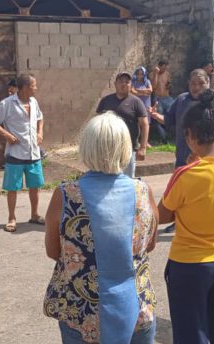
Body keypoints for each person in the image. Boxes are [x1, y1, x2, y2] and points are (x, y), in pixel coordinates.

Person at [44, 112, 159, 344]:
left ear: (85, 148)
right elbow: (151, 244)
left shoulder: (66, 194)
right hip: (136, 310)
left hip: (82, 313)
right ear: (125, 148)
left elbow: (54, 252)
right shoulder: (143, 191)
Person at [158, 90, 214, 344]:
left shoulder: (186, 175)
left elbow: (162, 214)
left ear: (190, 135)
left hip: (189, 264)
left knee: (192, 333)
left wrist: (190, 166)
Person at [150, 69, 214, 233]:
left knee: (204, 193)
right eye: (193, 83)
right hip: (183, 157)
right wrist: (155, 115)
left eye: (201, 83)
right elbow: (169, 120)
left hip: (209, 160)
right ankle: (179, 220)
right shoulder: (181, 100)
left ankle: (202, 222)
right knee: (179, 193)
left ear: (208, 84)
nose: (197, 87)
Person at [0, 73, 45, 233]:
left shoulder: (34, 102)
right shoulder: (7, 104)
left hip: (33, 152)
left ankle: (34, 214)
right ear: (25, 87)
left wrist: (40, 132)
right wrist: (7, 135)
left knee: (36, 186)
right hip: (15, 153)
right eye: (34, 85)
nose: (36, 88)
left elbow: (40, 118)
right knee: (13, 188)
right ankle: (11, 218)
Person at [96, 72, 149, 178]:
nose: (124, 84)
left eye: (127, 82)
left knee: (127, 180)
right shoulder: (106, 101)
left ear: (131, 85)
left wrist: (143, 147)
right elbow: (98, 122)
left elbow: (145, 124)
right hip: (108, 148)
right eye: (121, 81)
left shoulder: (136, 102)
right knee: (108, 179)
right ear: (115, 84)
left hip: (128, 149)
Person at [150, 60, 172, 144]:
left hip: (167, 97)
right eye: (163, 67)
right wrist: (156, 73)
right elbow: (153, 86)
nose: (164, 69)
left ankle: (169, 136)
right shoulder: (152, 74)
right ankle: (163, 138)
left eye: (166, 67)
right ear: (159, 66)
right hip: (157, 99)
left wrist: (169, 85)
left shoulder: (167, 74)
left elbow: (169, 84)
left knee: (172, 115)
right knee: (157, 118)